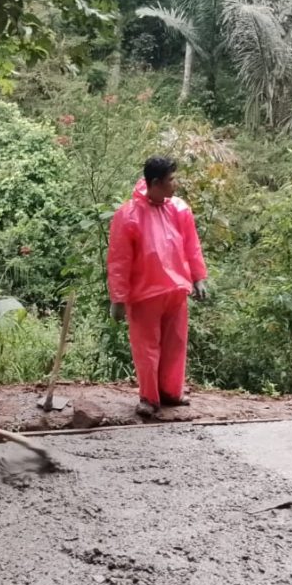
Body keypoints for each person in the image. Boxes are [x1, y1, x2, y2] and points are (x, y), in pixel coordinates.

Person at [107, 155, 208, 418]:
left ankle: (171, 392)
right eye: (170, 180)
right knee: (146, 348)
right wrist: (118, 298)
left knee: (175, 343)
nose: (174, 185)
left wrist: (198, 277)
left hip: (176, 291)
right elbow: (119, 260)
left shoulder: (179, 209)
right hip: (144, 294)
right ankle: (149, 397)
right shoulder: (127, 215)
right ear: (155, 183)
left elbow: (191, 246)